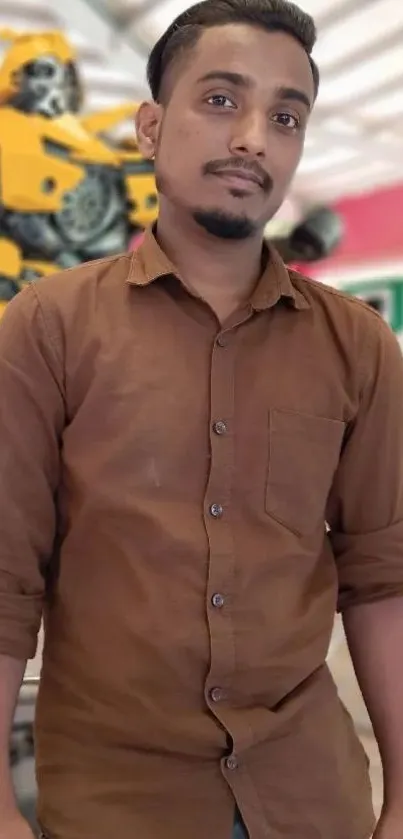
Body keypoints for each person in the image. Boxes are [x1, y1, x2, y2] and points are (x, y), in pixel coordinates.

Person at [1, 1, 403, 838]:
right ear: (150, 127)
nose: (254, 136)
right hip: (119, 803)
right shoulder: (49, 326)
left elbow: (382, 578)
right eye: (221, 100)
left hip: (311, 793)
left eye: (285, 115)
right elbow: (4, 580)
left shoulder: (356, 343)